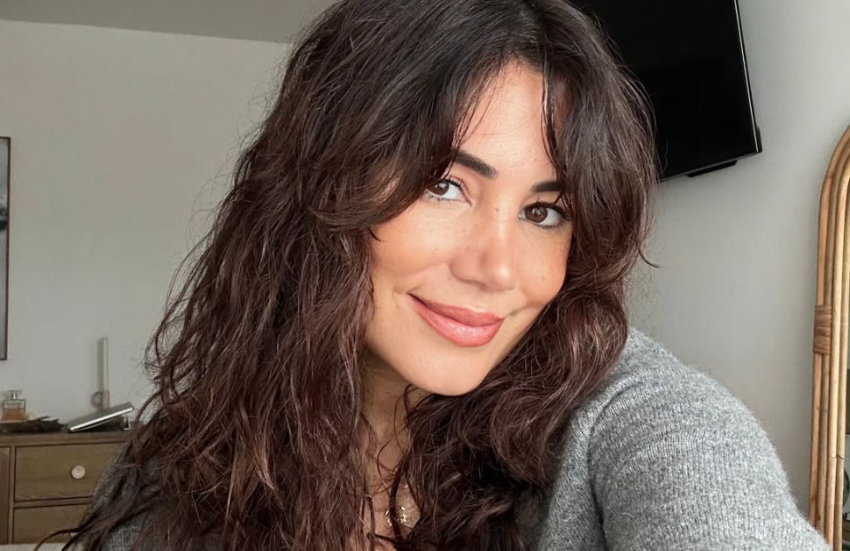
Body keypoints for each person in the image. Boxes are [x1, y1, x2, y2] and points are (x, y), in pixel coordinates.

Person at [47, 0, 828, 550]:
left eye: (544, 210)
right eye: (444, 185)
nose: (497, 268)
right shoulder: (178, 466)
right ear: (320, 184)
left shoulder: (629, 420)